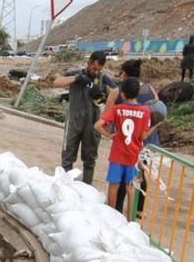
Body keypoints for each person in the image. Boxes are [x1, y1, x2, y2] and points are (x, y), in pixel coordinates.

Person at [54, 51, 116, 185]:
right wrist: (77, 79)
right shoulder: (76, 74)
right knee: (68, 156)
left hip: (92, 124)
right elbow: (57, 82)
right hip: (74, 121)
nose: (96, 71)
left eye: (99, 69)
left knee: (90, 159)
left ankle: (86, 188)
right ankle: (64, 186)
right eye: (94, 68)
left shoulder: (103, 78)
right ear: (88, 63)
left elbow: (117, 92)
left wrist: (105, 97)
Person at [94, 77, 155, 212]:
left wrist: (109, 135)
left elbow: (97, 125)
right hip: (133, 154)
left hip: (117, 153)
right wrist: (155, 126)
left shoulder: (117, 109)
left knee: (114, 185)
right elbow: (143, 136)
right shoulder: (145, 111)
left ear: (122, 93)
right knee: (130, 187)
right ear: (137, 93)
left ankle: (111, 215)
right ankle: (130, 219)